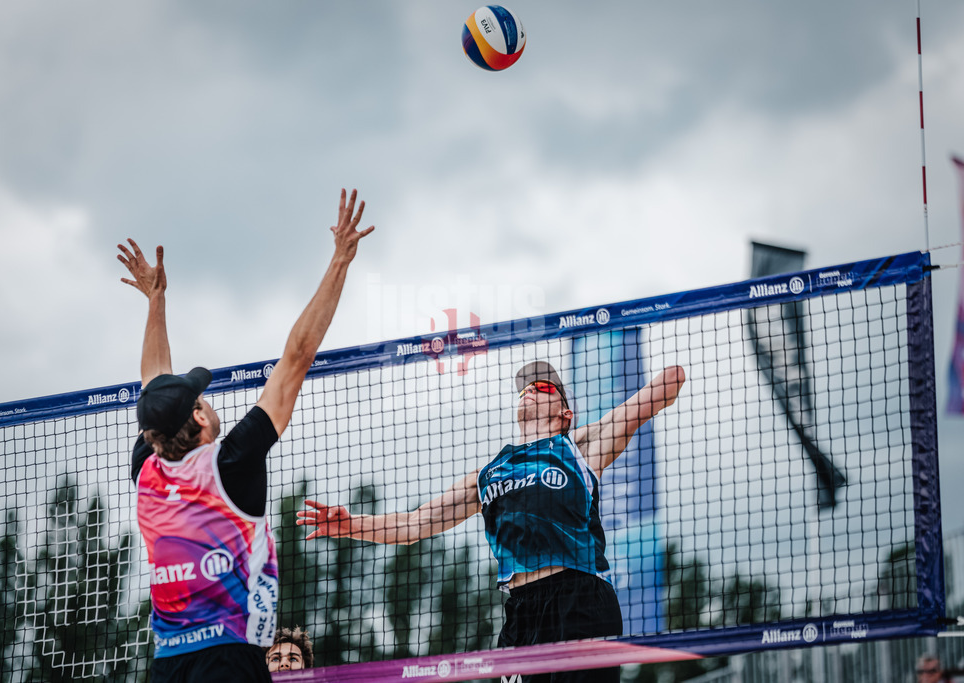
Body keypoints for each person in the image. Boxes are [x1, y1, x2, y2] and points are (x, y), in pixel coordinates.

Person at [119, 189, 373, 683]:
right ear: (198, 420)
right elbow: (297, 356)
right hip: (229, 659)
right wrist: (340, 261)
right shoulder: (231, 464)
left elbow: (154, 383)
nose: (205, 399)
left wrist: (156, 300)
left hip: (167, 665)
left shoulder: (147, 469)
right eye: (199, 398)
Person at [298, 360, 686, 683]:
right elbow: (415, 524)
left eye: (544, 388)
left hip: (579, 599)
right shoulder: (489, 473)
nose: (530, 390)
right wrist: (351, 524)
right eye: (524, 389)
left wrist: (577, 435)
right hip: (521, 610)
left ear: (565, 411)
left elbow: (670, 381)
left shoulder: (581, 450)